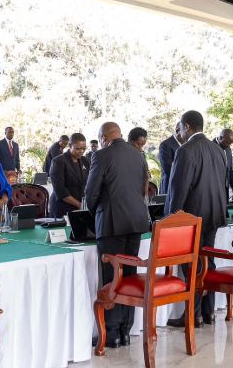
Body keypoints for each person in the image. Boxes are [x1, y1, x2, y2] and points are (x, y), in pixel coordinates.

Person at [85, 122, 150, 349]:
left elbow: (91, 193)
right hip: (136, 222)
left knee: (113, 276)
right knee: (129, 275)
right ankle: (125, 330)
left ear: (103, 137)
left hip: (112, 222)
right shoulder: (138, 155)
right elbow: (144, 188)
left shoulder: (101, 155)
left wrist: (97, 213)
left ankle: (111, 333)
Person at [164, 111, 228, 327]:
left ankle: (193, 315)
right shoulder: (218, 150)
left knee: (192, 265)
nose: (179, 132)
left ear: (188, 127)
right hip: (214, 215)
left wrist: (171, 220)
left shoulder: (185, 150)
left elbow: (178, 190)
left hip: (191, 218)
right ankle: (208, 312)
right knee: (207, 261)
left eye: (180, 128)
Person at [49, 133, 91, 218]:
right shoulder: (59, 161)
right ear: (70, 145)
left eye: (84, 148)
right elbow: (60, 189)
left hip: (81, 207)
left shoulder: (86, 161)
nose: (81, 151)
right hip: (62, 207)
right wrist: (79, 205)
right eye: (78, 148)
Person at [158, 122, 184, 194]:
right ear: (177, 131)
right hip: (169, 187)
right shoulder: (166, 145)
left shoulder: (187, 144)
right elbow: (168, 169)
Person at [214, 128, 233, 199]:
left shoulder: (228, 149)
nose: (229, 145)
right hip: (214, 192)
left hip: (225, 192)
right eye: (227, 142)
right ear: (221, 138)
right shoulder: (210, 147)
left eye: (230, 143)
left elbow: (230, 170)